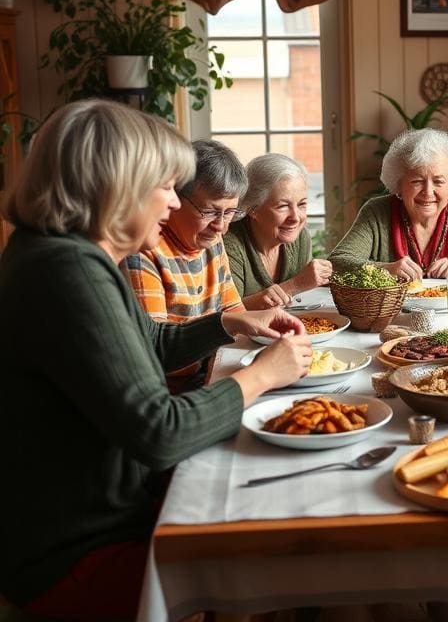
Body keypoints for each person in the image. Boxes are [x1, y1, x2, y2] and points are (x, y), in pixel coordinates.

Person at [0, 100, 313, 620]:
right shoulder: (67, 272)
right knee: (285, 559)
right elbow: (160, 432)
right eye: (165, 186)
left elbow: (151, 341)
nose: (172, 205)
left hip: (96, 518)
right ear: (117, 188)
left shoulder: (66, 254)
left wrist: (229, 322)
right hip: (73, 551)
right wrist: (261, 376)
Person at [328, 128, 448, 284]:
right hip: (390, 312)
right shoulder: (376, 212)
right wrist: (385, 269)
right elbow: (337, 262)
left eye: (438, 181)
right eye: (417, 181)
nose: (428, 191)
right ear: (399, 185)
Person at [124, 138, 247, 323]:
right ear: (176, 199)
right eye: (209, 211)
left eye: (229, 212)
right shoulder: (144, 250)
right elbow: (158, 344)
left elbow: (233, 309)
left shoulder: (211, 238)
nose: (220, 226)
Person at [224, 153, 333, 309]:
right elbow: (227, 314)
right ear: (252, 208)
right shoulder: (229, 244)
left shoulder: (300, 237)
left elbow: (302, 301)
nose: (295, 218)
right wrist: (297, 284)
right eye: (282, 206)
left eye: (302, 204)